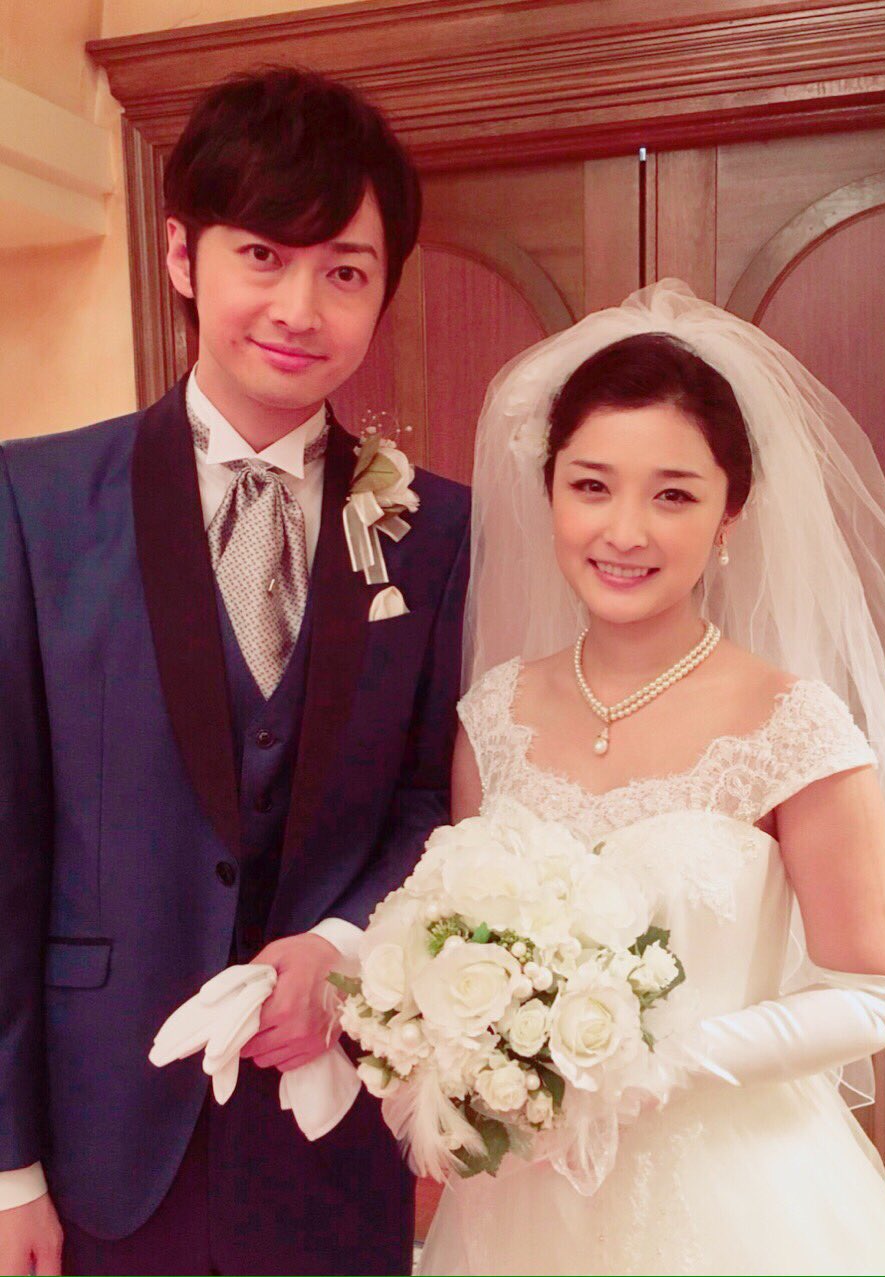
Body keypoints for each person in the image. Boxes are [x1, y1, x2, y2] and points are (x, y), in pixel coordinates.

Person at [0, 68, 469, 1276]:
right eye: (263, 254)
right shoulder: (34, 501)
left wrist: (345, 941)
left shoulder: (435, 530)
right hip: (99, 1135)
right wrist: (8, 1166)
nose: (299, 308)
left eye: (345, 271)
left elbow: (434, 796)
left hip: (328, 1141)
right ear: (182, 254)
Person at [419, 281, 885, 1275]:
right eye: (591, 486)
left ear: (728, 513)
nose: (624, 531)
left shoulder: (791, 722)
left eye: (672, 494)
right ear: (549, 492)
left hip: (732, 1196)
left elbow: (869, 993)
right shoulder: (493, 713)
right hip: (524, 1199)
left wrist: (656, 1065)